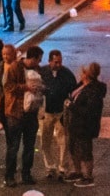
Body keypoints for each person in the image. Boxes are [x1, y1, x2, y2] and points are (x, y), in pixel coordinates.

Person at [1, 43, 43, 184]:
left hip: (31, 113)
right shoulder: (15, 67)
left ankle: (26, 174)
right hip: (15, 112)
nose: (40, 63)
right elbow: (8, 86)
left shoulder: (37, 69)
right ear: (33, 58)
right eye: (39, 59)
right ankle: (10, 176)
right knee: (14, 146)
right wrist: (25, 87)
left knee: (29, 145)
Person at [64, 61, 106, 186]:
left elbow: (89, 111)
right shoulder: (82, 85)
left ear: (86, 75)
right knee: (74, 148)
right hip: (76, 124)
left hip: (85, 126)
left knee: (85, 150)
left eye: (82, 72)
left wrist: (72, 106)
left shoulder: (93, 91)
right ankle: (78, 172)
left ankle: (88, 176)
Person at [38, 48, 74, 178]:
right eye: (55, 62)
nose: (58, 65)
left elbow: (73, 92)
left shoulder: (67, 74)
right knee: (45, 140)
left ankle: (63, 167)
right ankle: (50, 166)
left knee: (63, 140)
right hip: (46, 111)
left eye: (60, 62)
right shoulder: (42, 72)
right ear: (49, 61)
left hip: (61, 111)